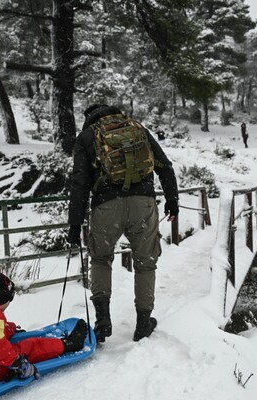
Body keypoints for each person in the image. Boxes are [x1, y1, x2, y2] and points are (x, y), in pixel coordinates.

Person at [67, 104, 179, 343]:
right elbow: (164, 165)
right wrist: (172, 200)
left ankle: (103, 320)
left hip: (106, 207)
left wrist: (74, 225)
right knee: (146, 263)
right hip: (143, 204)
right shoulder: (138, 129)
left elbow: (79, 184)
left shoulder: (86, 137)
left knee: (100, 259)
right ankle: (143, 323)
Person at [0, 267, 87, 387]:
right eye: (10, 298)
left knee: (2, 340)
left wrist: (10, 329)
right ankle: (68, 344)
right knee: (31, 346)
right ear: (1, 298)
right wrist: (17, 362)